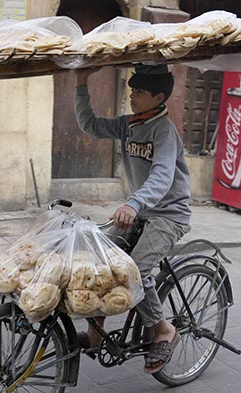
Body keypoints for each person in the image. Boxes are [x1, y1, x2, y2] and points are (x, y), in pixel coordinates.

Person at [73, 64, 192, 374]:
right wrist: (81, 83)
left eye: (139, 91)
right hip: (141, 210)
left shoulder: (164, 131)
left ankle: (162, 328)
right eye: (132, 89)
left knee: (135, 270)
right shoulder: (130, 124)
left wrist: (134, 203)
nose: (132, 95)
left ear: (159, 96)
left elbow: (162, 175)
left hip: (168, 215)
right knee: (101, 260)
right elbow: (90, 125)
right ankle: (95, 331)